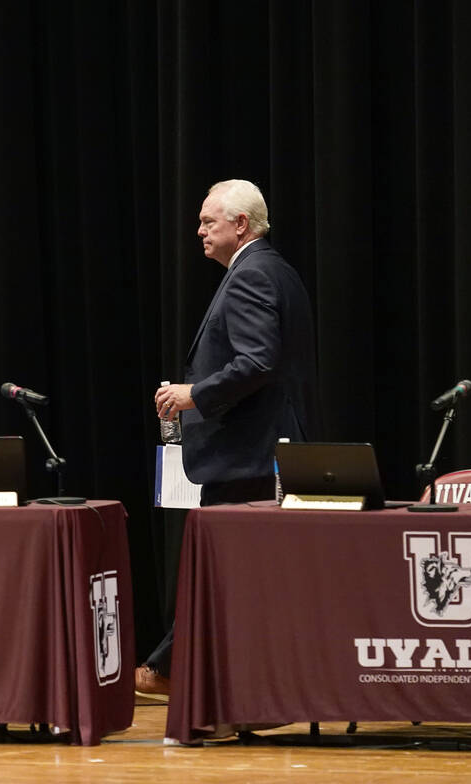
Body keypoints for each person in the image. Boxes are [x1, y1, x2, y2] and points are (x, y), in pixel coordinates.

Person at [137, 179, 317, 698]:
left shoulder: (252, 276)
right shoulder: (277, 270)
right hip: (268, 449)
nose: (198, 231)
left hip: (248, 454)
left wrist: (194, 394)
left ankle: (174, 669)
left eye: (207, 222)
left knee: (222, 573)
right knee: (241, 576)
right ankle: (186, 669)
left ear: (240, 225)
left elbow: (256, 361)